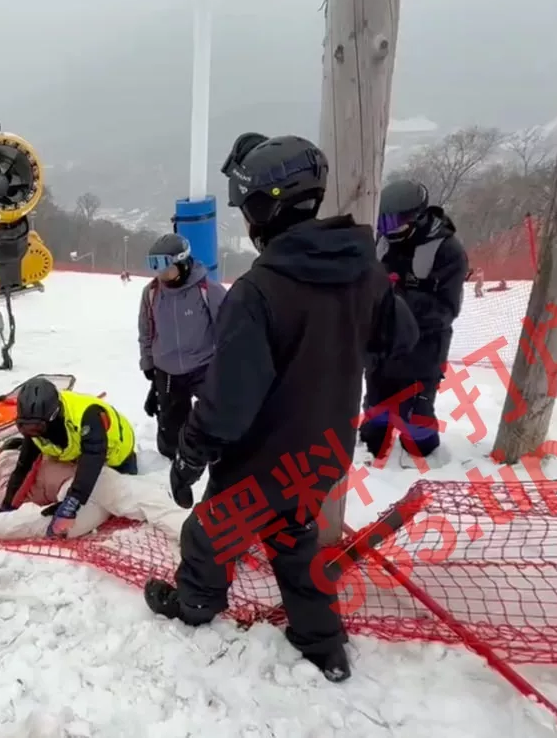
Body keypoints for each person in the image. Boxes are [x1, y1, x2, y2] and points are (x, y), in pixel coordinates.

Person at [143, 133, 417, 683]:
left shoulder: (260, 289)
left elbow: (228, 401)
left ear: (263, 209)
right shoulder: (361, 270)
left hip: (263, 458)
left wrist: (191, 454)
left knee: (207, 534)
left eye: (246, 207)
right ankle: (322, 641)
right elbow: (401, 338)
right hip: (325, 452)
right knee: (292, 535)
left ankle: (196, 606)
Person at [360, 180, 469, 462]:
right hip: (382, 346)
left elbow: (446, 309)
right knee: (375, 413)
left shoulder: (447, 250)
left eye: (394, 223)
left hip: (424, 347)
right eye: (382, 224)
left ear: (416, 217)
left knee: (415, 422)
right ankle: (373, 454)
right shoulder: (381, 244)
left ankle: (425, 459)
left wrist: (397, 301)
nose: (387, 231)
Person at [0, 377, 139, 538]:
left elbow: (91, 463)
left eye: (36, 427)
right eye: (25, 427)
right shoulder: (36, 430)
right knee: (29, 491)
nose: (33, 433)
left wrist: (72, 503)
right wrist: (7, 506)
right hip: (73, 460)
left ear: (54, 416)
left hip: (115, 464)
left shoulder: (87, 418)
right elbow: (23, 467)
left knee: (73, 521)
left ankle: (0, 528)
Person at [0, 439, 190, 541]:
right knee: (144, 500)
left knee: (41, 523)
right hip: (90, 485)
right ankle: (199, 536)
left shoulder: (10, 473)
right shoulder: (44, 453)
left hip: (78, 490)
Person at [137, 233, 225, 459]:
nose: (161, 273)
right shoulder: (152, 293)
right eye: (155, 266)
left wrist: (227, 363)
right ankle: (170, 458)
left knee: (217, 412)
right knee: (170, 423)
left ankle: (217, 452)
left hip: (202, 365)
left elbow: (228, 328)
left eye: (166, 266)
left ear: (182, 263)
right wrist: (148, 363)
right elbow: (146, 331)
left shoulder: (207, 290)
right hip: (167, 369)